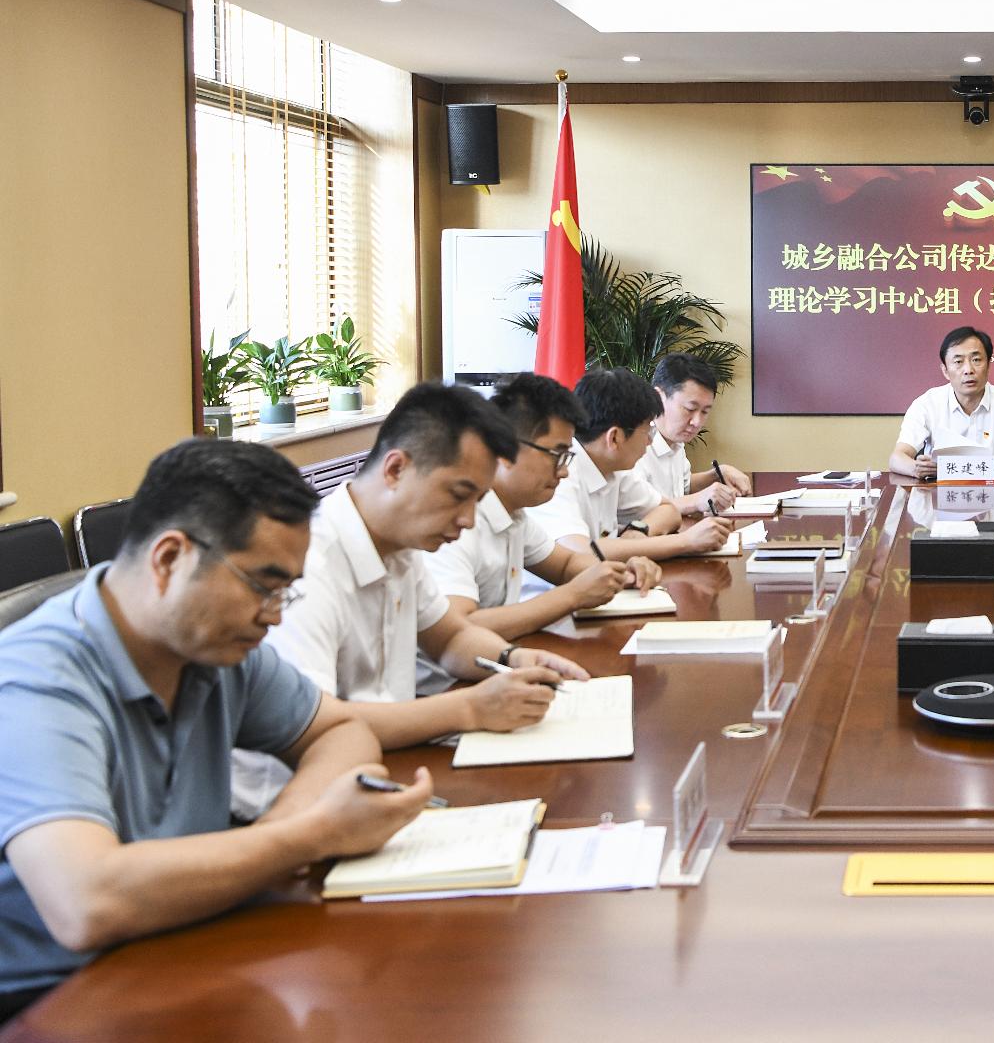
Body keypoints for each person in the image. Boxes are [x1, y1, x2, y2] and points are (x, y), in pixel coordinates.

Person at [0, 441, 432, 1020]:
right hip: (52, 1002)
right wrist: (308, 838)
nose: (275, 615)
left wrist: (285, 829)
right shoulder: (35, 681)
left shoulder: (216, 649)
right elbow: (86, 903)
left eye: (286, 591)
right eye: (262, 586)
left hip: (178, 942)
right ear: (169, 559)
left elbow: (341, 730)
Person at [239, 385, 590, 814]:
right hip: (291, 802)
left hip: (384, 768)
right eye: (458, 495)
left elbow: (451, 637)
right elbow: (318, 723)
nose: (468, 520)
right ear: (395, 469)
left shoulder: (402, 546)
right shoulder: (307, 565)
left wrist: (513, 658)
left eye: (478, 501)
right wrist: (469, 708)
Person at [419, 374, 660, 693]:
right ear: (505, 449)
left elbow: (565, 565)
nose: (564, 470)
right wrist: (573, 596)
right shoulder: (458, 522)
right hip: (445, 691)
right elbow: (458, 628)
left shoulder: (515, 513)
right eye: (556, 455)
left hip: (494, 675)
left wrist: (620, 572)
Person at [529, 369, 732, 561]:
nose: (650, 441)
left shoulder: (612, 468)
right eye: (646, 431)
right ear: (615, 438)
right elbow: (578, 552)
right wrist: (684, 542)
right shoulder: (558, 473)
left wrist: (637, 532)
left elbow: (668, 511)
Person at [889, 326, 994, 479]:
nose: (968, 370)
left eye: (976, 360)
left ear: (988, 365)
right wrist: (916, 469)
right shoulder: (926, 405)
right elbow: (897, 458)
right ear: (945, 371)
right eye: (958, 362)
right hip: (940, 494)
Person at [633, 353, 752, 519]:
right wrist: (697, 500)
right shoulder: (633, 444)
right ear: (658, 397)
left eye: (705, 412)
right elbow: (639, 508)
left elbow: (682, 487)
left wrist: (718, 474)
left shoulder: (675, 440)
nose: (697, 422)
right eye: (690, 409)